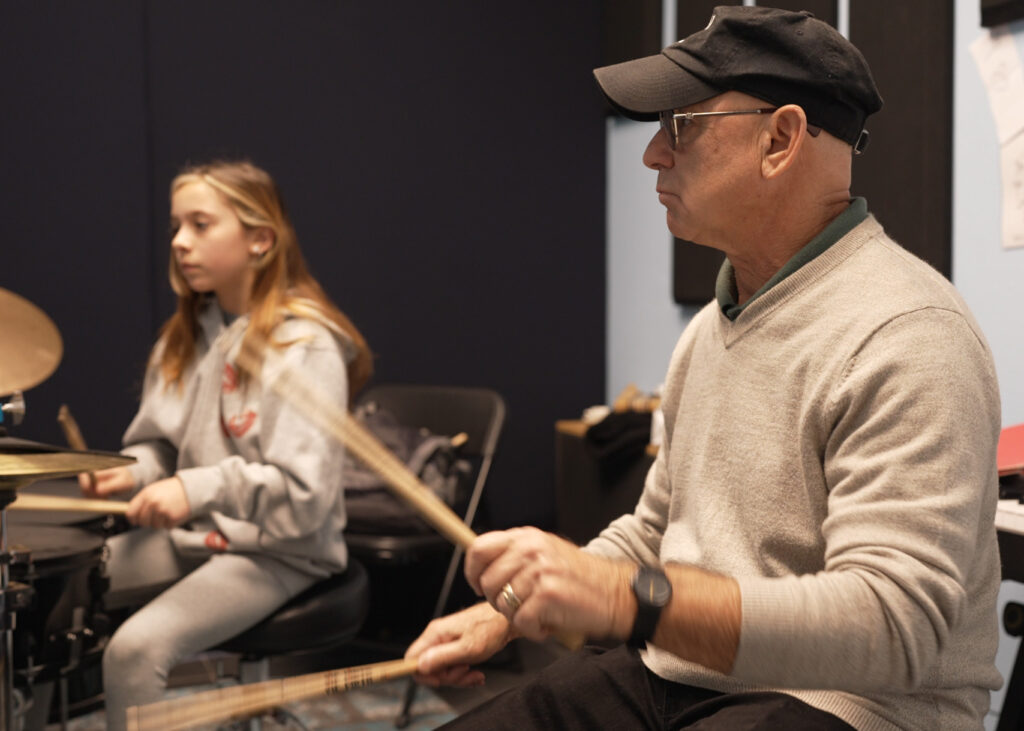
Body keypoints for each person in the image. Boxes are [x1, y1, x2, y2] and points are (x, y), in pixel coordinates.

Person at [404, 6, 1003, 730]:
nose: (654, 154)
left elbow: (891, 628)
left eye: (679, 125)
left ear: (779, 139)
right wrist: (509, 608)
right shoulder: (711, 329)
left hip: (849, 704)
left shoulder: (909, 333)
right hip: (683, 674)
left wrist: (624, 598)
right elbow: (658, 531)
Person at [78, 159, 372, 730]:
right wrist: (132, 473)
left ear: (260, 239)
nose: (179, 242)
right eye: (175, 227)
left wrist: (194, 489)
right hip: (200, 535)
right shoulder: (186, 336)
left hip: (279, 549)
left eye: (200, 224)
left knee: (133, 651)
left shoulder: (305, 346)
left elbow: (302, 495)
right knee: (61, 588)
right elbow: (164, 449)